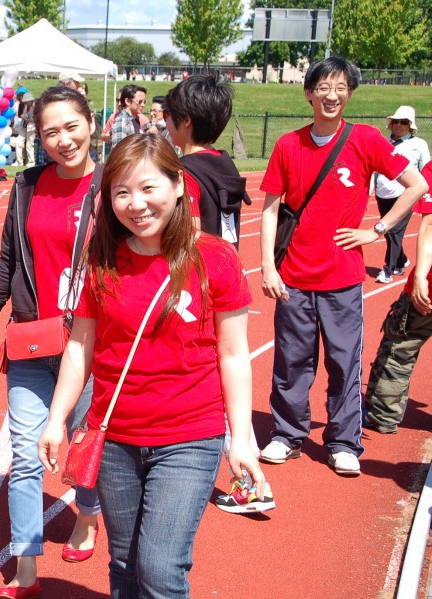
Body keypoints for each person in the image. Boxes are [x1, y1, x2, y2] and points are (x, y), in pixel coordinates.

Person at [38, 134, 267, 598]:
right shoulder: (102, 260)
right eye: (121, 192)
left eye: (148, 188)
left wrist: (240, 439)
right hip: (115, 436)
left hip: (189, 436)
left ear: (178, 185)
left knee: (161, 569)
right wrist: (57, 419)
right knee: (124, 562)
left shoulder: (216, 259)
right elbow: (80, 348)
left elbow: (234, 353)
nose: (135, 204)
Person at [258, 57, 428, 476]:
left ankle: (343, 441)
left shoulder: (366, 140)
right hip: (294, 278)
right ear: (308, 93)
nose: (331, 96)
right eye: (323, 88)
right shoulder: (288, 145)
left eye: (340, 88)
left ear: (349, 93)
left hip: (343, 280)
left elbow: (418, 186)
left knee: (343, 361)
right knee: (291, 362)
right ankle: (287, 434)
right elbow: (269, 210)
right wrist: (267, 268)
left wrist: (380, 229)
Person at [0, 86, 102, 599]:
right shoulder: (25, 186)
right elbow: (8, 259)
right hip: (31, 341)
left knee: (86, 447)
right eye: (51, 132)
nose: (63, 139)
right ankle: (26, 568)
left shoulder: (114, 185)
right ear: (38, 137)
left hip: (92, 347)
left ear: (92, 124)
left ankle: (87, 517)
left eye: (72, 126)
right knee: (24, 454)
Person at [364, 161, 432, 433]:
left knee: (399, 350)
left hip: (427, 289)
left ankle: (383, 416)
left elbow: (429, 226)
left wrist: (419, 277)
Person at [164, 74, 250, 246]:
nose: (165, 121)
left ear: (186, 120)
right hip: (227, 261)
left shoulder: (186, 172)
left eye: (168, 114)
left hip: (200, 267)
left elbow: (190, 235)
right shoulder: (226, 163)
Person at [373, 106, 430, 283]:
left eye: (403, 122)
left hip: (406, 194)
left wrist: (424, 195)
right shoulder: (384, 143)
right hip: (383, 194)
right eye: (395, 122)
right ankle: (401, 260)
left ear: (410, 125)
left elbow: (427, 169)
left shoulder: (419, 144)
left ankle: (388, 270)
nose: (399, 125)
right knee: (389, 231)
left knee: (395, 231)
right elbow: (374, 168)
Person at [14, 91, 36, 168]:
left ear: (30, 100)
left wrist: (26, 118)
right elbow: (22, 115)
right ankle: (19, 161)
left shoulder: (36, 106)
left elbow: (36, 119)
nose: (25, 103)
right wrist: (24, 117)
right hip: (23, 126)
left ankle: (31, 161)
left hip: (31, 127)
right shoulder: (25, 106)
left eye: (26, 101)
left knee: (30, 144)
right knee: (18, 142)